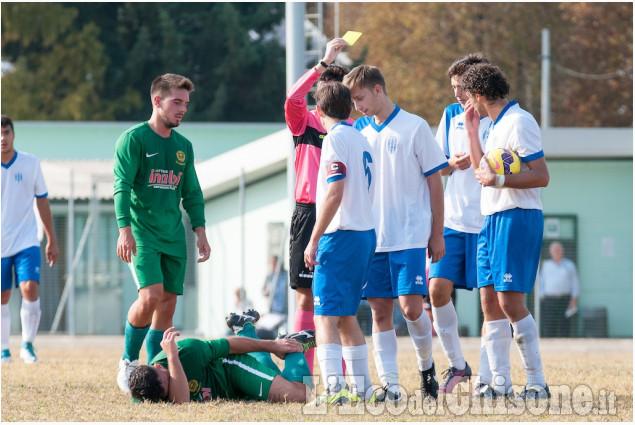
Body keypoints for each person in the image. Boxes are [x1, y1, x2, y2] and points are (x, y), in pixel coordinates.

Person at [343, 65, 448, 401]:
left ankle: (426, 364)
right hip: (372, 238)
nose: (357, 105)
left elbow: (435, 182)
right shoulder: (358, 130)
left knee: (412, 309)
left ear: (378, 89)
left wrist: (437, 233)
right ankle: (390, 386)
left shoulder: (414, 126)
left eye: (360, 98)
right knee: (378, 310)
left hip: (409, 236)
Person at [114, 73, 211, 393]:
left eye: (186, 103)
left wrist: (200, 231)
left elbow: (192, 192)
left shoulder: (184, 146)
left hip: (173, 235)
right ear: (157, 101)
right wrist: (124, 230)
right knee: (150, 296)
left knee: (168, 304)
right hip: (142, 232)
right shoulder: (133, 139)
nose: (183, 109)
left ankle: (154, 365)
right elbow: (122, 187)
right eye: (177, 102)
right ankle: (128, 362)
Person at [462, 62, 551, 399]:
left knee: (511, 303)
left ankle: (537, 382)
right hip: (491, 219)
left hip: (518, 216)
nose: (468, 103)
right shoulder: (492, 126)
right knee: (489, 303)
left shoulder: (519, 121)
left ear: (481, 95)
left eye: (470, 97)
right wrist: (472, 133)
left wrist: (499, 179)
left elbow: (541, 175)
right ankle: (499, 384)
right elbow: (480, 171)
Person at [303, 82, 377, 404]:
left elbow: (335, 190)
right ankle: (364, 389)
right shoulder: (361, 138)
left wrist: (314, 238)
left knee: (324, 317)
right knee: (346, 317)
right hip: (364, 234)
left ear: (318, 112)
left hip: (341, 235)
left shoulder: (334, 139)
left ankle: (334, 390)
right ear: (349, 109)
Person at [428, 53, 493, 395]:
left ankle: (489, 373)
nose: (456, 94)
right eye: (452, 87)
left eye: (461, 87)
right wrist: (451, 163)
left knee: (489, 302)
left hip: (487, 222)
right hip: (453, 222)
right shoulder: (451, 114)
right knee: (437, 290)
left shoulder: (496, 117)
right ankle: (458, 365)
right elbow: (438, 166)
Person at [284, 38, 350, 376]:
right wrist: (323, 63)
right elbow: (292, 96)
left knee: (337, 302)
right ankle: (303, 374)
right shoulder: (304, 122)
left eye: (334, 91)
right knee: (306, 297)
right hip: (308, 212)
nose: (326, 98)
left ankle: (341, 373)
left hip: (344, 215)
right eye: (322, 90)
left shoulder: (354, 128)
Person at [128, 319, 313, 404]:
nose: (170, 390)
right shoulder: (144, 391)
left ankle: (295, 344)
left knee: (299, 396)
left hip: (230, 369)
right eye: (165, 395)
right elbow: (181, 402)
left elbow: (228, 346)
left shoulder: (188, 351)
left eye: (169, 381)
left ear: (159, 367)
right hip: (226, 392)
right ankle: (246, 327)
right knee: (274, 376)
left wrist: (274, 345)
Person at [1, 115, 59, 364]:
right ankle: (4, 348)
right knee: (2, 296)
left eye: (6, 132)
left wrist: (51, 239)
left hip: (26, 240)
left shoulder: (30, 163)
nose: (3, 138)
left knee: (29, 288)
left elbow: (42, 201)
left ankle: (27, 345)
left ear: (14, 134)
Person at [539, 241, 579, 337]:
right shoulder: (546, 265)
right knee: (549, 325)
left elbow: (575, 283)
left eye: (558, 249)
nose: (557, 251)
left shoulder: (569, 265)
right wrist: (542, 297)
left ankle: (565, 348)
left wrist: (573, 300)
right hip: (549, 300)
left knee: (564, 325)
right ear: (550, 252)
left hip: (565, 299)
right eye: (554, 250)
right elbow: (541, 283)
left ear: (562, 251)